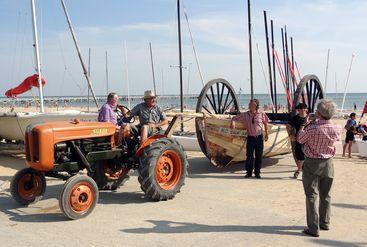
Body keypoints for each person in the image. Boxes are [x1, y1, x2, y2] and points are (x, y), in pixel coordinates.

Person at [297, 99, 341, 237]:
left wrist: (303, 125)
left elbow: (300, 139)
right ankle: (325, 222)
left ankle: (313, 228)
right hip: (328, 162)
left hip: (312, 163)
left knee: (311, 195)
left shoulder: (312, 128)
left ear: (318, 113)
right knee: (326, 195)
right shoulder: (336, 128)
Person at [230, 99, 269, 178]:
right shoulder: (245, 115)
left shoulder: (261, 113)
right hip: (250, 138)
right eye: (249, 104)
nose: (250, 106)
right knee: (249, 156)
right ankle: (249, 172)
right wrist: (233, 122)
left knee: (259, 156)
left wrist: (267, 133)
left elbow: (266, 123)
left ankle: (257, 172)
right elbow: (235, 118)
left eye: (252, 105)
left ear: (256, 106)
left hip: (259, 138)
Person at [287, 103, 308, 178]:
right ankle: (299, 170)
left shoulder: (309, 118)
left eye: (300, 109)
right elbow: (288, 125)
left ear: (305, 109)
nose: (299, 110)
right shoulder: (295, 118)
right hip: (299, 139)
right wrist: (290, 135)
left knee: (305, 156)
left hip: (309, 140)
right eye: (298, 109)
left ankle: (299, 170)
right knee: (299, 156)